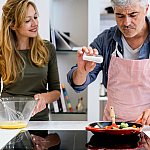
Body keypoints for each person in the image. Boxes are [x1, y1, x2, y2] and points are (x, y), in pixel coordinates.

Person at [67, 0, 150, 125]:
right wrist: (81, 71)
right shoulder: (106, 40)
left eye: (133, 15)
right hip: (113, 127)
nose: (126, 23)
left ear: (146, 9)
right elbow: (78, 84)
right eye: (120, 15)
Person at [0, 0, 60, 121]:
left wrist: (44, 98)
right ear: (13, 25)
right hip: (8, 121)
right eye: (27, 20)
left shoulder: (47, 49)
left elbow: (56, 92)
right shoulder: (2, 52)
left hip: (39, 121)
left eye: (35, 17)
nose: (35, 23)